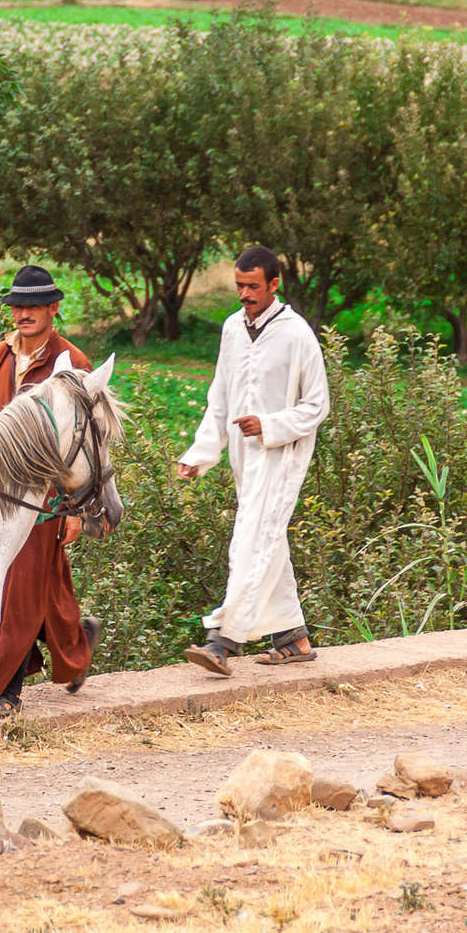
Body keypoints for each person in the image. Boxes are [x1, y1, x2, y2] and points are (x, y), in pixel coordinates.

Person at [177, 245, 331, 674]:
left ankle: (223, 642)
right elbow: (219, 396)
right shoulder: (231, 328)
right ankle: (294, 638)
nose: (244, 294)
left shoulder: (297, 334)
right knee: (266, 540)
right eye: (240, 286)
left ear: (274, 284)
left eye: (253, 286)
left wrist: (269, 424)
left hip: (283, 457)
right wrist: (201, 453)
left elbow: (318, 406)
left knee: (252, 541)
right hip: (245, 461)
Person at [0, 266, 100, 717]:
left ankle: (2, 688)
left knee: (20, 581)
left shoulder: (73, 361)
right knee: (44, 580)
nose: (23, 313)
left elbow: (82, 441)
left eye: (33, 306)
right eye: (17, 305)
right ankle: (76, 646)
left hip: (45, 495)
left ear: (53, 308)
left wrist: (72, 511)